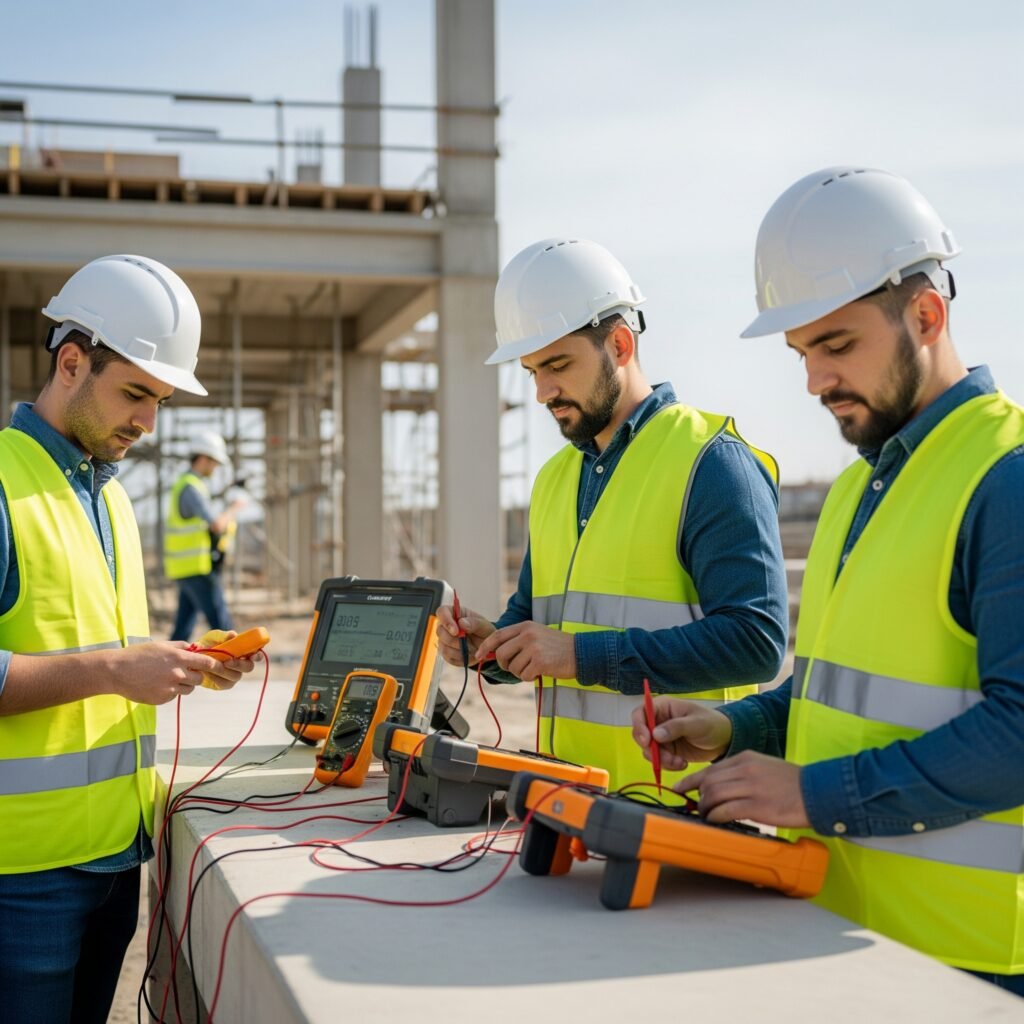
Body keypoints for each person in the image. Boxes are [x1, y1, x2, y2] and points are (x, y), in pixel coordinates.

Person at [632, 167, 1024, 994]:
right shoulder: (858, 486)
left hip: (970, 961)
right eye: (802, 352)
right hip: (836, 925)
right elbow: (832, 695)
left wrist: (813, 793)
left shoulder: (1006, 478)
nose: (814, 382)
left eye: (837, 345)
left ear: (927, 314)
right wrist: (734, 729)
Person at [0, 254, 256, 1024]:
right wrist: (117, 668)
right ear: (71, 362)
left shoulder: (107, 500)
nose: (149, 422)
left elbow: (83, 640)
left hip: (116, 858)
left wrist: (177, 663)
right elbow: (100, 663)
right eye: (135, 393)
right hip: (22, 878)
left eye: (161, 400)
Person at [437, 237, 788, 789]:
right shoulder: (555, 480)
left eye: (557, 365)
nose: (543, 392)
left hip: (681, 813)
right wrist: (492, 648)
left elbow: (756, 643)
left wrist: (580, 656)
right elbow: (538, 624)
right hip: (569, 803)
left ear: (620, 345)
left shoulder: (713, 464)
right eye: (531, 371)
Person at [164, 429, 247, 642]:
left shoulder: (190, 485)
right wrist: (235, 507)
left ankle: (172, 673)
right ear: (203, 458)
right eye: (215, 462)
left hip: (187, 568)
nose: (216, 467)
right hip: (197, 567)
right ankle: (234, 661)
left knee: (183, 627)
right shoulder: (191, 487)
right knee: (222, 625)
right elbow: (217, 524)